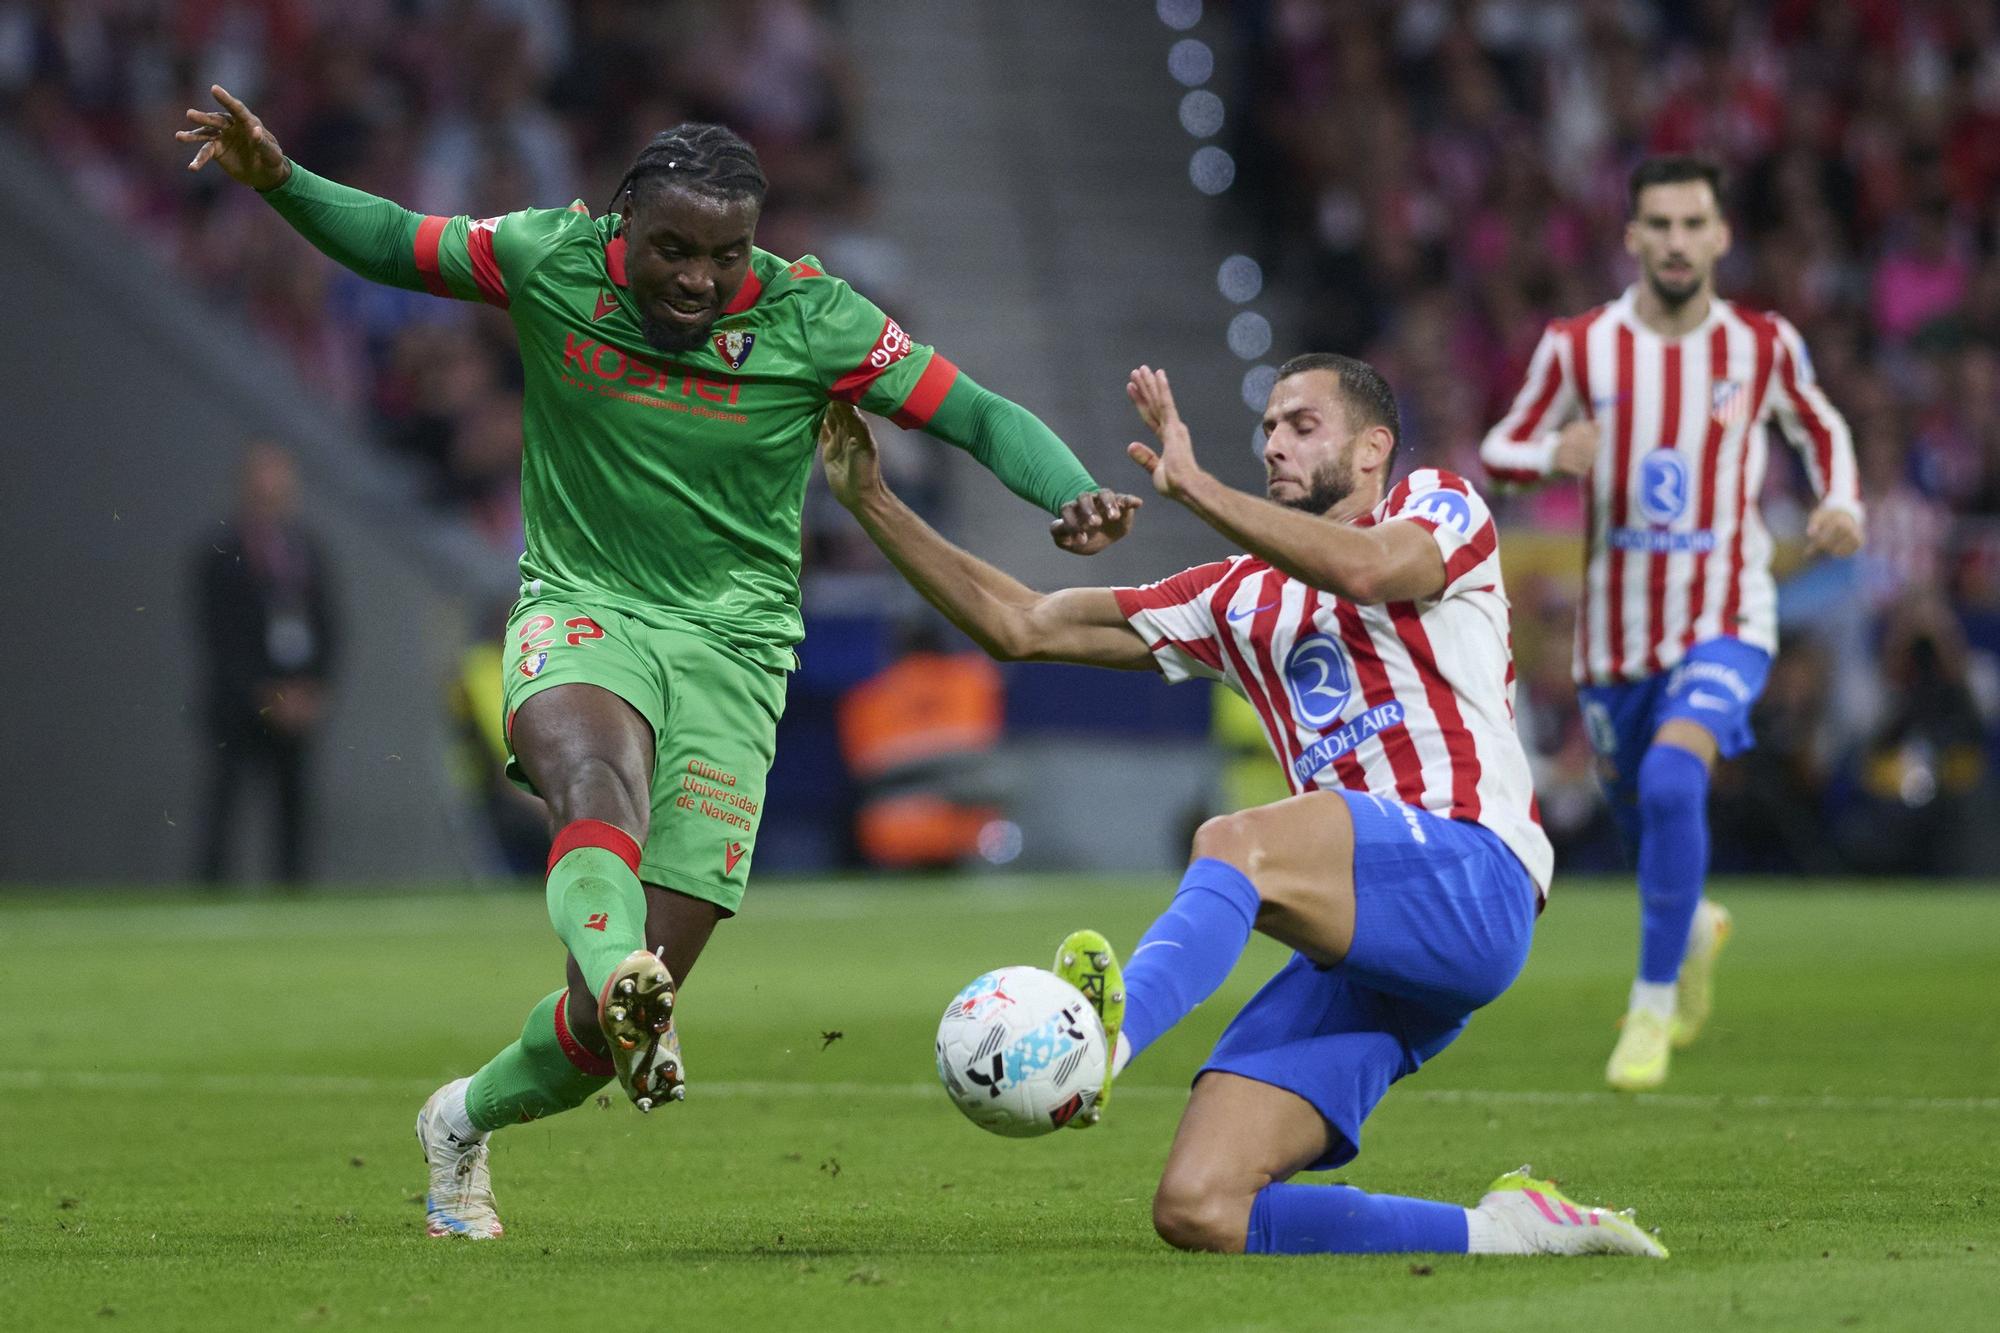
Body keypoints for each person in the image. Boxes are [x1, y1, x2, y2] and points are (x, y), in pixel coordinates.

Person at [178, 85, 1138, 1239]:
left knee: (592, 1034)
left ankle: (465, 1114)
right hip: (582, 607)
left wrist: (1069, 488)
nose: (695, 277)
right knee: (596, 785)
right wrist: (279, 177)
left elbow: (973, 413)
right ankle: (631, 976)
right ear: (619, 225)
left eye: (723, 256)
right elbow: (395, 242)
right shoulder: (547, 259)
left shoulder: (813, 319)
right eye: (672, 250)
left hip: (736, 654)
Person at [822, 359, 1666, 1258]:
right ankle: (1509, 1231)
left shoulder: (1436, 507)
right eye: (1268, 427)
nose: (1274, 441)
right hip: (1367, 938)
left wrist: (1196, 486)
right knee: (1202, 1206)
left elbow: (1372, 570)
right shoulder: (1233, 597)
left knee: (1238, 839)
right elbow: (1022, 622)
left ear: (1374, 446)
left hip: (1471, 873)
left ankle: (1103, 1043)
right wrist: (872, 499)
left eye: (1303, 425)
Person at [1478, 155, 1864, 1092]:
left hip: (1727, 611)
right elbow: (1499, 446)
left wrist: (1841, 500)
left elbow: (1820, 425)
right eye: (1661, 224)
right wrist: (1549, 453)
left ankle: (1648, 1006)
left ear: (1723, 235)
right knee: (1645, 815)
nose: (1679, 241)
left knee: (1673, 772)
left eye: (1696, 223)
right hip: (1614, 639)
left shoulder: (1760, 345)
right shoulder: (1581, 347)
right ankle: (1690, 924)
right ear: (1633, 238)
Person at [191, 441, 340, 885]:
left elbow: (331, 626)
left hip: (296, 702)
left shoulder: (308, 551)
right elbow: (218, 637)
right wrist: (262, 693)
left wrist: (313, 688)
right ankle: (208, 894)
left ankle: (294, 894)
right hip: (240, 705)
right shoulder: (218, 554)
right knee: (226, 802)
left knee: (294, 808)